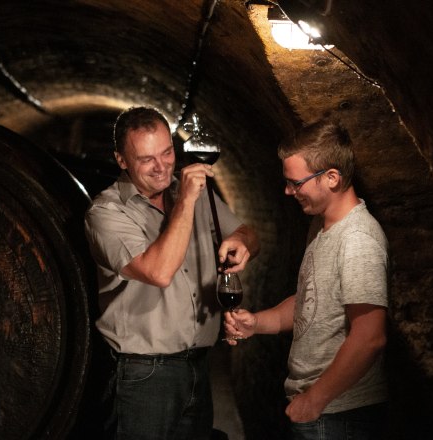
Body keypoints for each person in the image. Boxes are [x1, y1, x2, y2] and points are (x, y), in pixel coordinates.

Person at [84, 106, 259, 440]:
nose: (162, 166)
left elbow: (249, 232)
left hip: (197, 364)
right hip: (143, 374)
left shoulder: (190, 192)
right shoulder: (106, 213)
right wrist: (187, 202)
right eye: (147, 158)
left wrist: (240, 240)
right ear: (121, 159)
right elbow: (159, 271)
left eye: (166, 153)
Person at [224, 119, 389, 440]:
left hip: (341, 414)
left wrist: (315, 399)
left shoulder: (358, 239)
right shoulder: (321, 226)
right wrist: (256, 323)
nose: (288, 191)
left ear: (331, 178)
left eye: (296, 182)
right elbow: (309, 300)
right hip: (322, 411)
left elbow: (370, 336)